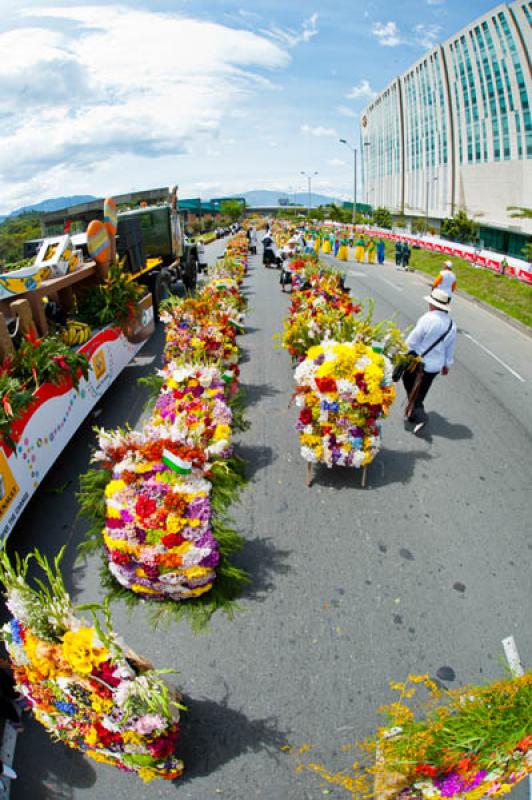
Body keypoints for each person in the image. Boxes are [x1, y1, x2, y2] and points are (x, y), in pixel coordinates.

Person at [402, 287, 457, 434]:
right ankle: (413, 412)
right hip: (435, 366)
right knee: (422, 389)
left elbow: (413, 340)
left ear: (433, 304)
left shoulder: (428, 318)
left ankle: (420, 415)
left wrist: (403, 352)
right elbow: (450, 348)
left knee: (408, 380)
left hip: (419, 362)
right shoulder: (452, 325)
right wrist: (447, 365)